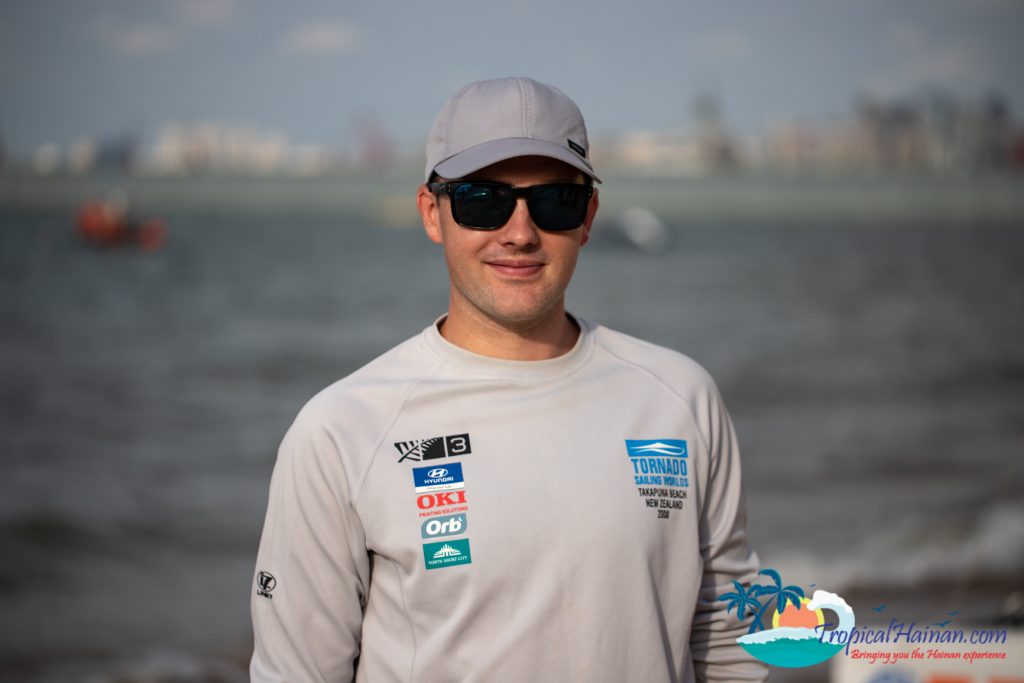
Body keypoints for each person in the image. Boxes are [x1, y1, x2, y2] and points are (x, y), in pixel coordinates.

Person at [251, 76, 766, 682]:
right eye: (482, 200)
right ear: (432, 213)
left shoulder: (681, 399)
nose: (519, 233)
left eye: (553, 201)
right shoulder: (341, 431)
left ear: (589, 216)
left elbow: (730, 641)